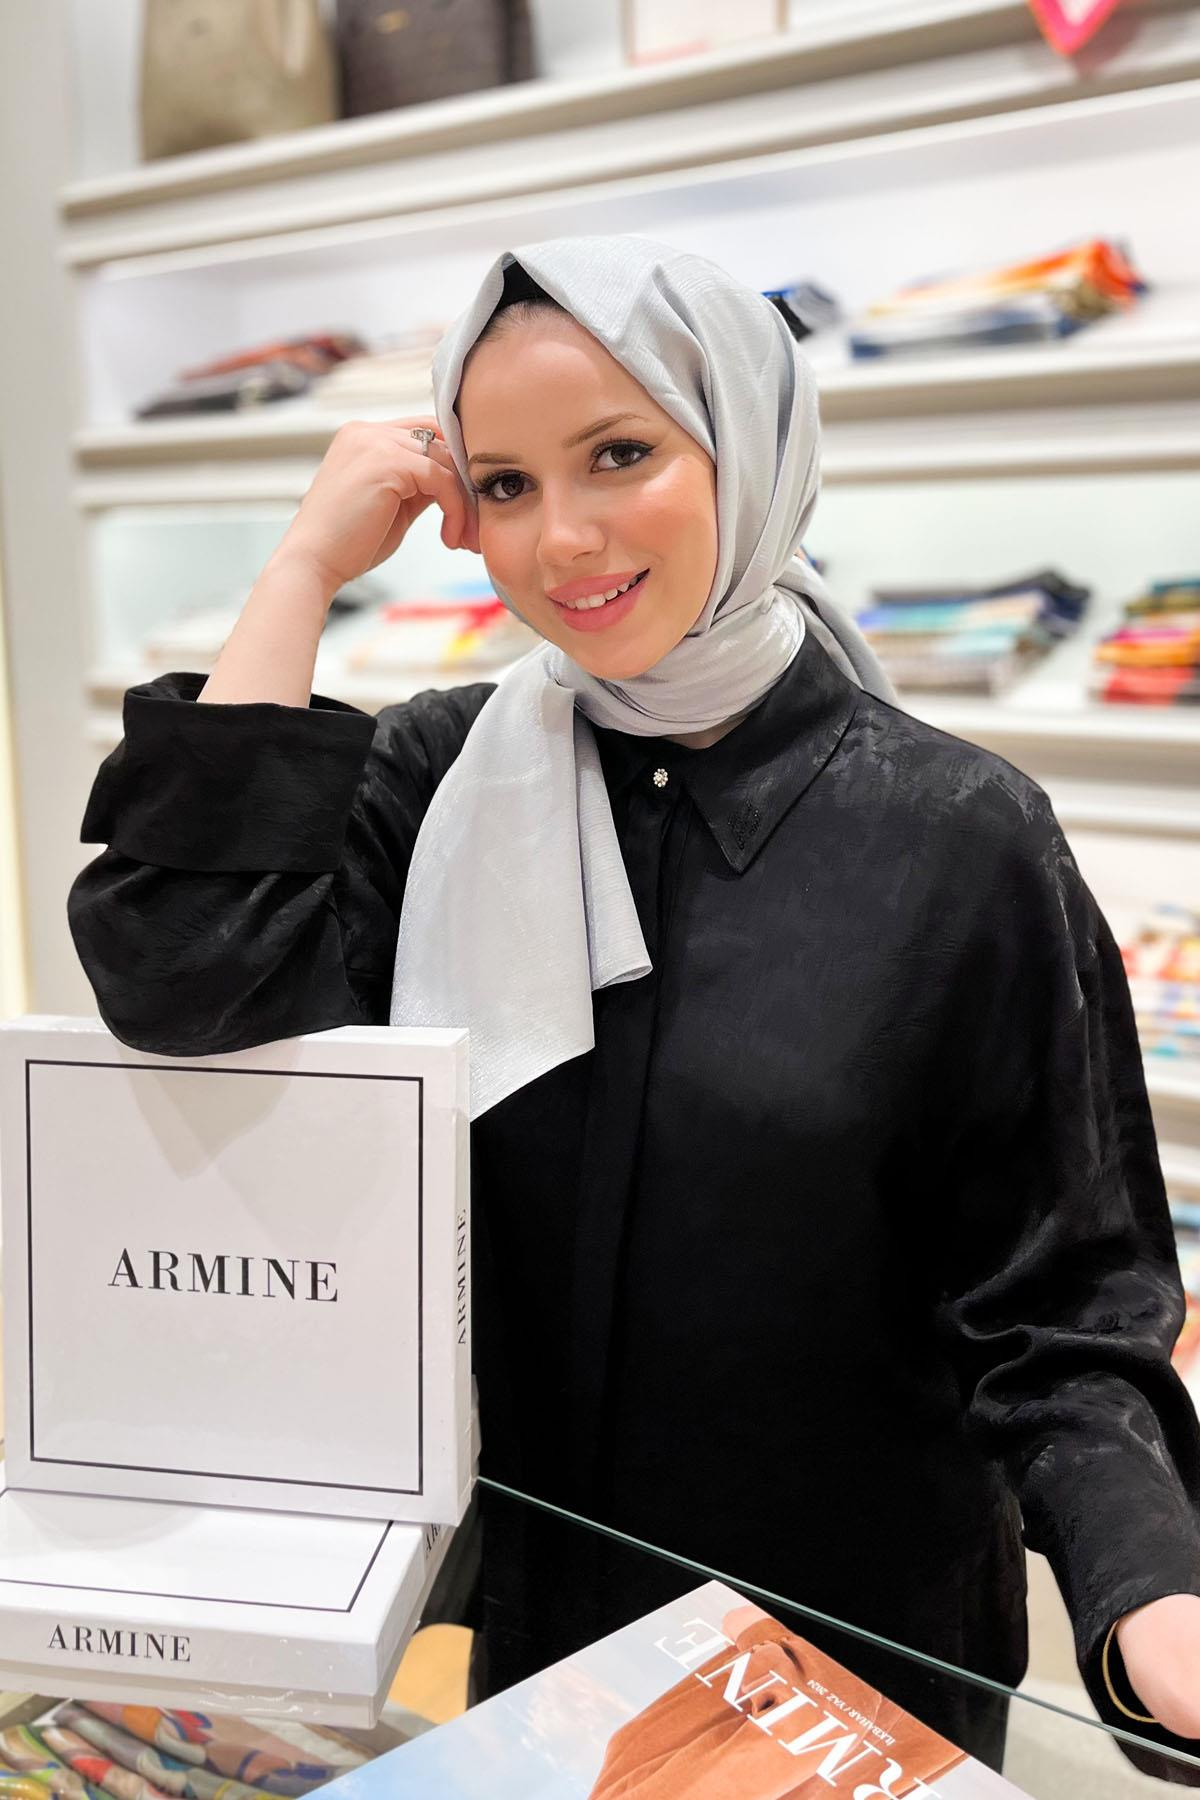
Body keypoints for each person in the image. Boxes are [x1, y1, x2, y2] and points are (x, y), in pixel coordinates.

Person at [68, 235, 1200, 1783]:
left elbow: (1063, 1301)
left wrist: (1152, 1593)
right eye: (506, 483)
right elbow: (180, 975)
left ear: (746, 444)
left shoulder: (955, 833)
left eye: (620, 454)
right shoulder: (437, 776)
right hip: (541, 1633)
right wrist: (303, 571)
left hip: (852, 1665)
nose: (564, 539)